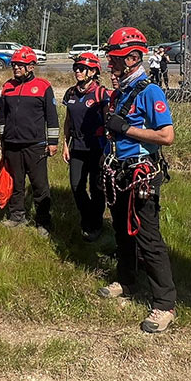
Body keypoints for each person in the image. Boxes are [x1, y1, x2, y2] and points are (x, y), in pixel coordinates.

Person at [99, 26, 178, 334]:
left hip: (141, 173)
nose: (111, 65)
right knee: (121, 229)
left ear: (133, 58)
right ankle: (127, 279)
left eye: (115, 59)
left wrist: (127, 130)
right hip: (119, 171)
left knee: (148, 238)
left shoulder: (149, 91)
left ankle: (164, 304)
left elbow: (166, 136)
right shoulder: (120, 93)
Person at [0, 46, 59, 234]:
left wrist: (53, 142)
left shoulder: (43, 86)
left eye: (20, 65)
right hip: (12, 145)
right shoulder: (7, 86)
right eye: (14, 64)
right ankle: (17, 216)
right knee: (16, 183)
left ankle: (43, 221)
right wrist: (3, 140)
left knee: (39, 185)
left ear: (31, 66)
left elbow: (52, 117)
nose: (16, 67)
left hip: (36, 145)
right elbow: (2, 117)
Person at [61, 52, 109, 241]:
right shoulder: (71, 92)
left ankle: (95, 224)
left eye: (82, 69)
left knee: (97, 189)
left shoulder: (101, 94)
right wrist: (65, 144)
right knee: (76, 186)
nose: (77, 72)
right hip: (77, 148)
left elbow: (108, 123)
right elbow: (67, 120)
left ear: (93, 71)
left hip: (97, 149)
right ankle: (89, 216)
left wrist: (108, 149)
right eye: (76, 69)